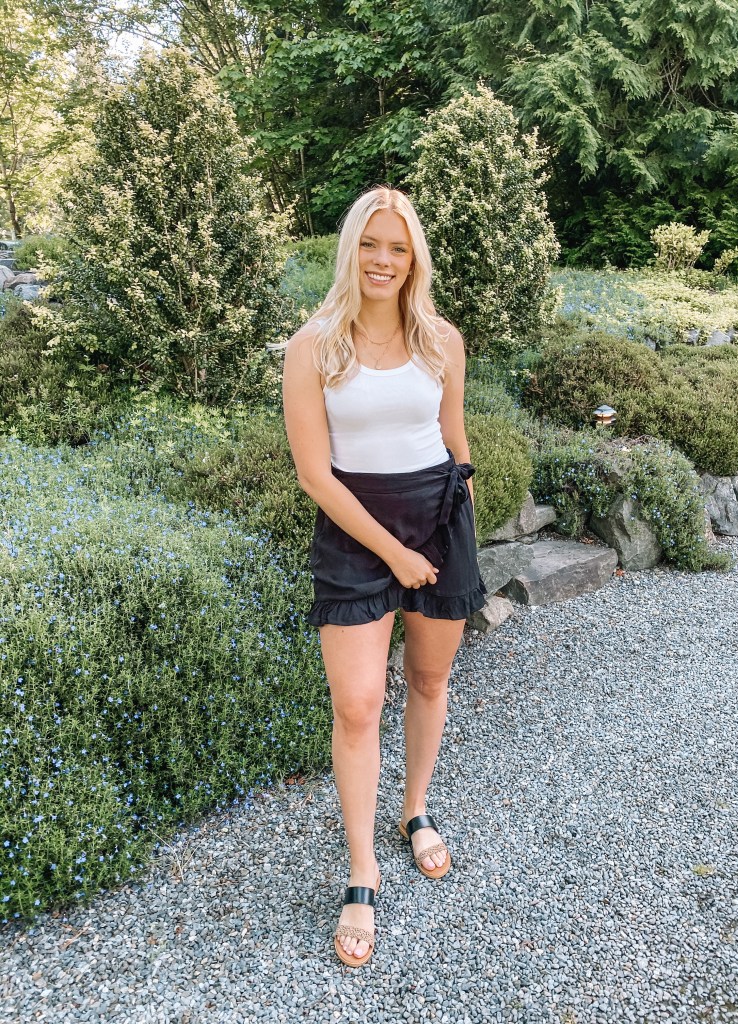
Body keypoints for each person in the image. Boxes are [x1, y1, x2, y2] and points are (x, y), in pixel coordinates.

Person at [282, 186, 485, 968]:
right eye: (371, 244)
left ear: (414, 259)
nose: (383, 260)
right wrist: (395, 554)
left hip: (438, 521)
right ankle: (361, 871)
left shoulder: (441, 340)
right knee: (358, 703)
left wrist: (463, 515)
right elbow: (315, 473)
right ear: (350, 250)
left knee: (429, 681)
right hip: (354, 531)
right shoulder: (313, 346)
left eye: (398, 248)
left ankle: (416, 810)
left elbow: (453, 438)